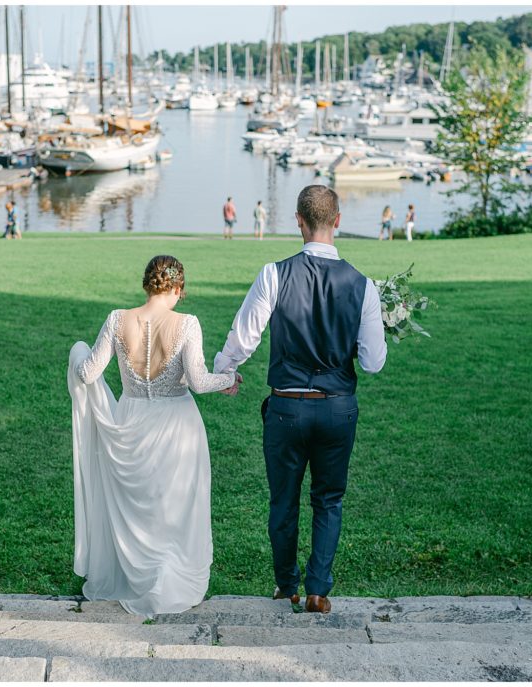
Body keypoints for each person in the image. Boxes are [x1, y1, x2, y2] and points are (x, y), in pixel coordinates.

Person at [213, 185, 387, 613]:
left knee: (283, 499)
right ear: (338, 221)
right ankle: (318, 589)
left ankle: (286, 584)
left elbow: (244, 337)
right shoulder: (363, 286)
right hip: (336, 408)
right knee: (329, 498)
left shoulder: (274, 274)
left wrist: (224, 370)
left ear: (298, 220)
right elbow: (373, 362)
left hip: (287, 407)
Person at [68, 256, 239, 617]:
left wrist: (77, 352)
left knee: (138, 502)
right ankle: (166, 574)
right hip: (177, 424)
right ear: (176, 288)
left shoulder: (117, 319)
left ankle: (138, 577)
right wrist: (229, 380)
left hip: (130, 420)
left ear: (148, 284)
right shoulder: (187, 324)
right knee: (172, 503)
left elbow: (87, 373)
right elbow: (197, 379)